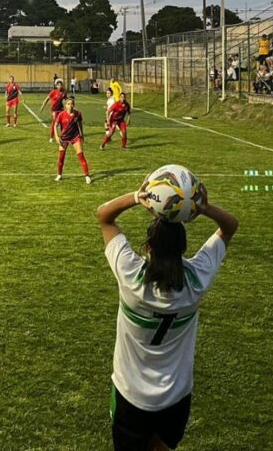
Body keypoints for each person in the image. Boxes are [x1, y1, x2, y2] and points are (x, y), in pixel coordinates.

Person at [96, 182, 238, 451]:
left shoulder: (130, 275)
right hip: (176, 396)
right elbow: (230, 225)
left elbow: (104, 216)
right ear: (184, 248)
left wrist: (138, 197)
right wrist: (203, 207)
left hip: (132, 395)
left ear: (148, 245)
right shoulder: (197, 279)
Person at [54, 97, 91, 183]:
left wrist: (82, 134)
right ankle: (59, 175)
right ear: (65, 106)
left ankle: (87, 176)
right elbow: (55, 125)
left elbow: (80, 124)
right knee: (61, 157)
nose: (70, 105)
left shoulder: (78, 114)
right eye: (68, 104)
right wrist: (56, 136)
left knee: (81, 155)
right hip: (64, 138)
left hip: (75, 137)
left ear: (74, 105)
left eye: (72, 104)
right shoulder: (61, 114)